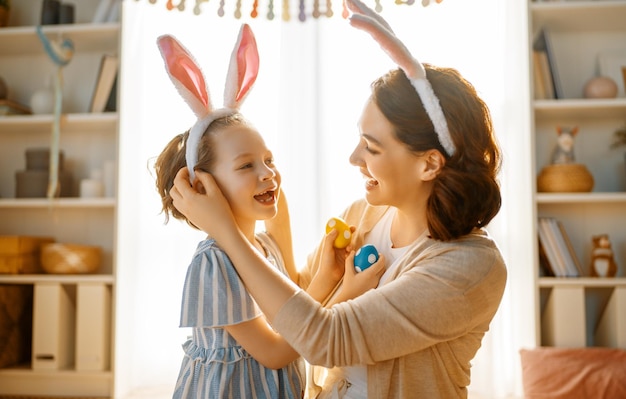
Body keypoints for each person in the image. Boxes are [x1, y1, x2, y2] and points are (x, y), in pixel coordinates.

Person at [169, 2, 507, 398]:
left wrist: (225, 228)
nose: (354, 159)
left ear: (429, 164)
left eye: (372, 147)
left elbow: (323, 336)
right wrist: (275, 216)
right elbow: (294, 298)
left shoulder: (470, 267)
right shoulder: (363, 215)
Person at [154, 26, 380, 399]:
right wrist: (348, 293)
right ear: (202, 187)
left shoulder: (266, 246)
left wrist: (328, 275)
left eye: (269, 159)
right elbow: (277, 352)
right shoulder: (213, 264)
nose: (267, 173)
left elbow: (293, 314)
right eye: (246, 166)